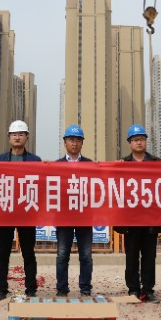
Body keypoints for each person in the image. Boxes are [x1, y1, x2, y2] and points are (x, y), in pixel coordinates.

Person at [0, 120, 41, 302]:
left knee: (28, 253)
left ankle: (31, 289)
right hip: (5, 213)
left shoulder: (35, 161)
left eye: (21, 134)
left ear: (27, 137)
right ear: (9, 137)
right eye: (14, 134)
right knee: (3, 254)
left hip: (27, 213)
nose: (17, 137)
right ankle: (1, 289)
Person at [116, 124, 161, 303]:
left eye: (141, 139)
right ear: (130, 143)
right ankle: (133, 289)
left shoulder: (156, 163)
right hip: (130, 219)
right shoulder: (123, 164)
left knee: (149, 256)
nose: (139, 142)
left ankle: (148, 290)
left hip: (151, 218)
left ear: (146, 141)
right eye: (135, 140)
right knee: (131, 256)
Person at [54, 124, 94, 297]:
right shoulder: (56, 165)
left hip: (84, 217)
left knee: (86, 255)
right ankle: (62, 289)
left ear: (82, 143)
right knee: (63, 255)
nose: (75, 144)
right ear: (65, 142)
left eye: (78, 140)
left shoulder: (90, 165)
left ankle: (85, 288)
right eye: (71, 140)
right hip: (64, 218)